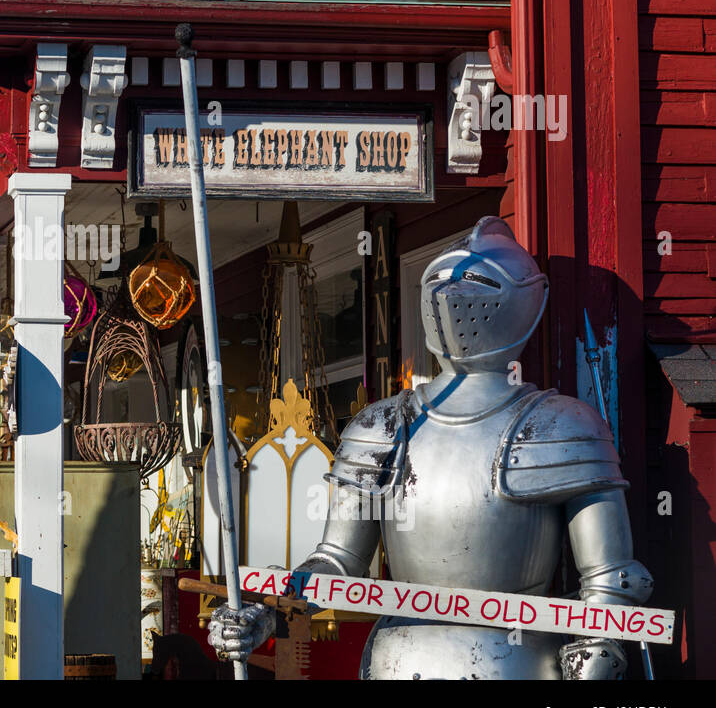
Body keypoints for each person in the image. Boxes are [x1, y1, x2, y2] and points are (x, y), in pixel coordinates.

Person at [209, 217, 652, 679]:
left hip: (516, 662)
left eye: (476, 283)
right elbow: (337, 561)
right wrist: (266, 614)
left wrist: (595, 665)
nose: (454, 299)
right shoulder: (381, 426)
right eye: (442, 283)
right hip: (401, 660)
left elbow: (609, 581)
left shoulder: (559, 425)